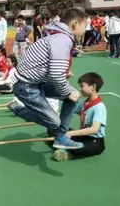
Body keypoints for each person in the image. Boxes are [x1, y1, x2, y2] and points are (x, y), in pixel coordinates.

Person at [8, 8, 88, 150]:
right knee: (54, 121)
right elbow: (56, 75)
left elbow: (49, 67)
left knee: (72, 96)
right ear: (75, 24)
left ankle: (60, 137)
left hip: (36, 82)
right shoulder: (62, 40)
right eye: (85, 26)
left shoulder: (59, 36)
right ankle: (19, 109)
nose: (85, 31)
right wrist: (67, 91)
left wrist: (65, 83)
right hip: (26, 86)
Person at [53, 73, 107, 161]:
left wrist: (70, 133)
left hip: (94, 141)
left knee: (81, 147)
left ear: (93, 86)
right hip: (81, 137)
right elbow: (69, 112)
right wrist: (53, 118)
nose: (80, 89)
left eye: (82, 86)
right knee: (54, 130)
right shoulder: (84, 103)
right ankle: (65, 148)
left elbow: (94, 129)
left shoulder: (99, 107)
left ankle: (67, 152)